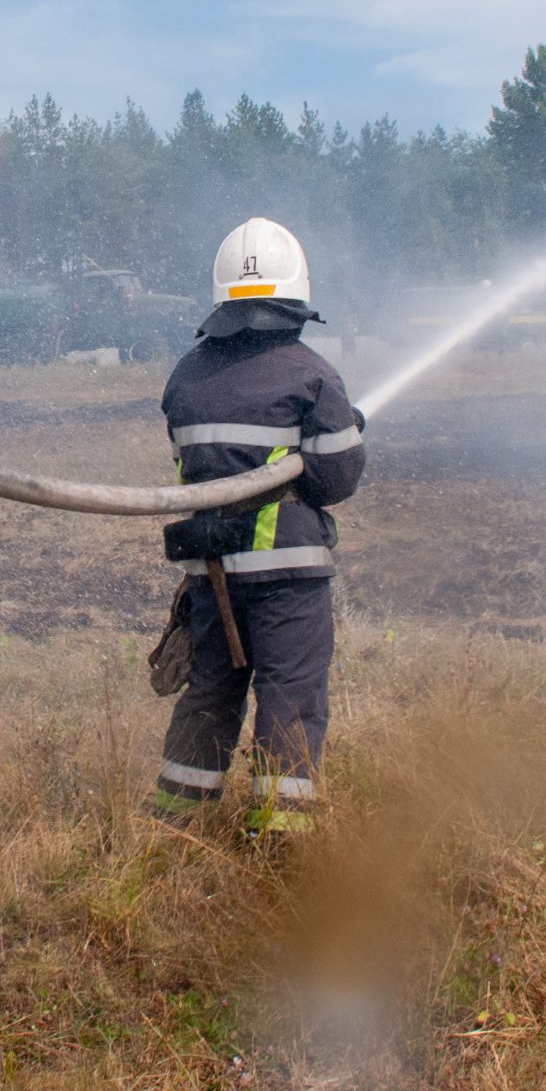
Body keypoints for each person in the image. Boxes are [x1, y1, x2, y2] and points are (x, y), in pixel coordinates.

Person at [153, 218, 366, 836]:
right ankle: (282, 835)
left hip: (211, 574)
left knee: (211, 692)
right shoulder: (312, 375)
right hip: (286, 580)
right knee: (290, 697)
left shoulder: (186, 377)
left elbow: (200, 464)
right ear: (295, 298)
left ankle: (175, 826)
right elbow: (336, 481)